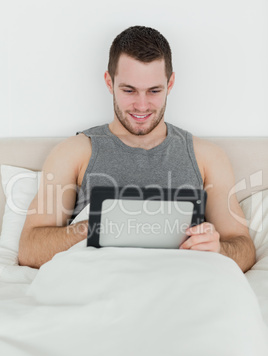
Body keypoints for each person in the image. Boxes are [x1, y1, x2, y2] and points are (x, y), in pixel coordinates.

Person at [18, 25, 255, 271]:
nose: (141, 106)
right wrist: (97, 227)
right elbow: (28, 248)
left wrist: (218, 249)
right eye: (129, 90)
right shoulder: (75, 152)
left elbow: (245, 248)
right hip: (100, 284)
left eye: (154, 91)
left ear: (170, 83)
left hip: (179, 285)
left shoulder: (207, 157)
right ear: (109, 82)